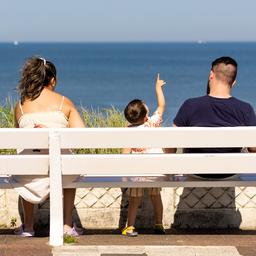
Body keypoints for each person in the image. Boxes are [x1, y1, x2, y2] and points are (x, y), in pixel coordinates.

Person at [13, 56, 85, 237]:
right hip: (60, 169)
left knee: (25, 162)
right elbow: (82, 136)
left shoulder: (21, 106)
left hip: (28, 170)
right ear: (52, 80)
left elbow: (17, 139)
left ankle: (28, 227)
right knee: (69, 165)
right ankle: (67, 226)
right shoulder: (64, 103)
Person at [173, 56, 256, 178]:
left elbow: (170, 147)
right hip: (229, 172)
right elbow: (253, 148)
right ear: (233, 82)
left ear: (211, 75)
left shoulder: (189, 105)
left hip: (196, 171)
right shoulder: (245, 108)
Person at [122, 74, 166, 237]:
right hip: (154, 170)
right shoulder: (151, 124)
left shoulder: (128, 131)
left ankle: (130, 226)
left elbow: (125, 153)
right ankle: (159, 223)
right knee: (156, 197)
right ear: (146, 116)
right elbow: (162, 105)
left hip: (137, 172)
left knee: (134, 200)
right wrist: (158, 88)